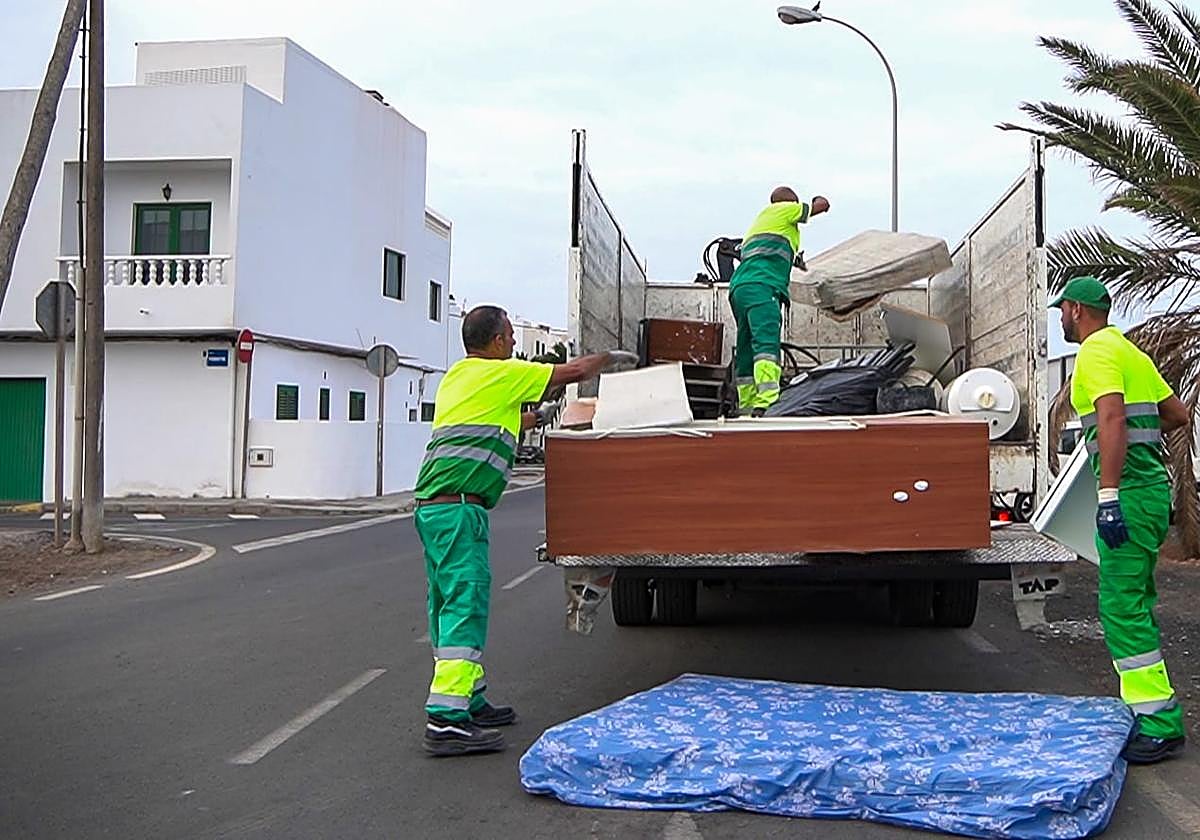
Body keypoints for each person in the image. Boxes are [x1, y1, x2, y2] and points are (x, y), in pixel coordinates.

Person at [413, 304, 635, 756]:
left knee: (446, 603)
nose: (514, 343)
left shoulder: (459, 378)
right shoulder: (501, 373)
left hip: (436, 510)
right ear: (496, 342)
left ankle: (468, 699)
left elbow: (504, 423)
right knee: (465, 601)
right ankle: (447, 720)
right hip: (458, 510)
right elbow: (570, 371)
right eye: (511, 336)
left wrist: (538, 417)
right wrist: (612, 359)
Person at [1053, 275, 1191, 764]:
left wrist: (1108, 492)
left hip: (1130, 495)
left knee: (1121, 607)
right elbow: (1176, 413)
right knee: (1136, 600)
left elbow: (1110, 417)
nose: (1061, 319)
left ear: (1076, 310)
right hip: (1152, 494)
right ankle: (1149, 708)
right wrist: (1142, 431)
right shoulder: (1132, 353)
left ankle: (1157, 721)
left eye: (1062, 310)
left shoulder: (1094, 352)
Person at [729, 186, 830, 415]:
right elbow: (822, 205)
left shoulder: (762, 222)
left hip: (739, 289)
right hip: (762, 287)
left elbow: (772, 254)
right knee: (766, 343)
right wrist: (817, 199)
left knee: (746, 345)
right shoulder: (785, 209)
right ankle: (768, 401)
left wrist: (797, 261)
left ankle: (746, 405)